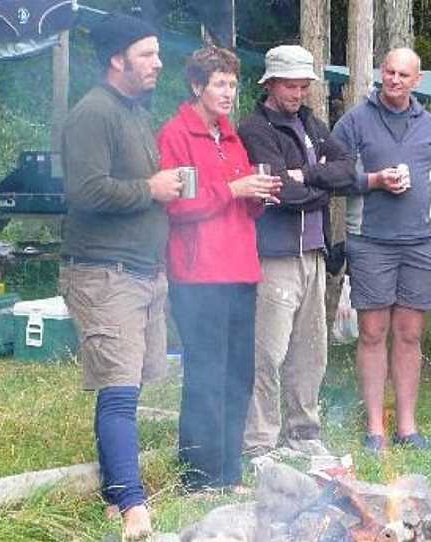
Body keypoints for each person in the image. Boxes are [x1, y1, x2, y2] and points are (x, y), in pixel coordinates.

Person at [59, 12, 182, 539]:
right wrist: (149, 190)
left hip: (140, 273)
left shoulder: (133, 111)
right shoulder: (93, 112)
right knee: (119, 389)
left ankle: (113, 496)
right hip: (103, 274)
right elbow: (85, 191)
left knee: (125, 387)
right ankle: (133, 508)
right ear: (117, 59)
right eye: (147, 53)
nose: (158, 62)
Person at [156, 47, 281, 491]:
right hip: (198, 275)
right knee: (206, 374)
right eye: (220, 84)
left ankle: (229, 472)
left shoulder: (231, 138)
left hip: (240, 270)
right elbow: (181, 205)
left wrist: (257, 198)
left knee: (238, 375)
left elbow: (239, 207)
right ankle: (198, 478)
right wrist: (233, 188)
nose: (229, 93)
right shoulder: (178, 135)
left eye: (232, 84)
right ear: (197, 86)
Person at [332, 47, 431, 452]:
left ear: (417, 81)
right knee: (371, 333)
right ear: (380, 74)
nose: (395, 80)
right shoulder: (355, 121)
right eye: (389, 72)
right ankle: (374, 429)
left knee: (409, 334)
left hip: (422, 245)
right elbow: (333, 175)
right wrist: (373, 181)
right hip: (370, 243)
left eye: (404, 74)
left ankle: (407, 427)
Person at [238, 45, 355, 458]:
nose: (298, 93)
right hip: (275, 253)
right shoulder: (255, 128)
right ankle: (259, 442)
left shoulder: (312, 124)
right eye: (290, 85)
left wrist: (307, 175)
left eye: (304, 85)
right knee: (268, 351)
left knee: (311, 350)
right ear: (270, 83)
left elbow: (347, 169)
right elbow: (280, 193)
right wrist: (319, 190)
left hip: (314, 253)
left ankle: (303, 433)